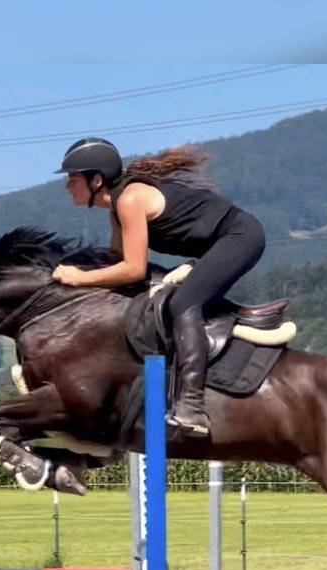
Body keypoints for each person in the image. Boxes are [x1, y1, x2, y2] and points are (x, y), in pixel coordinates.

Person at [51, 137, 266, 437]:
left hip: (240, 237)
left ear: (96, 180)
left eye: (73, 178)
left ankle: (191, 405)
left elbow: (133, 268)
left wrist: (79, 277)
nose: (67, 186)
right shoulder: (118, 207)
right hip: (217, 245)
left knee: (183, 304)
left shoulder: (129, 201)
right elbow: (116, 262)